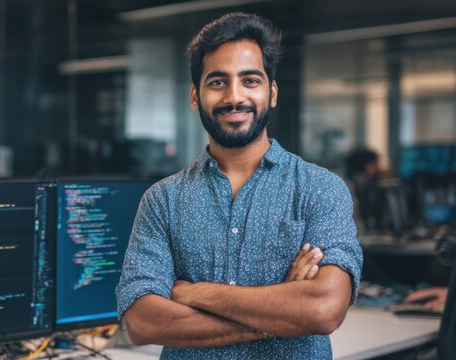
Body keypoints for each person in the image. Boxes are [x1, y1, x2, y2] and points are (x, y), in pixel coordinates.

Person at [115, 12, 363, 359]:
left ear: (272, 92)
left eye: (250, 80)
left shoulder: (321, 189)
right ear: (194, 95)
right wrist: (282, 311)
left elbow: (323, 309)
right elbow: (143, 323)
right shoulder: (162, 201)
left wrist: (195, 293)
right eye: (217, 82)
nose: (234, 96)